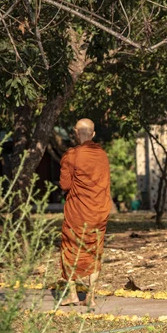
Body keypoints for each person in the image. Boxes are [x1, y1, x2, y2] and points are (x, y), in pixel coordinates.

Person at [59, 118, 111, 308]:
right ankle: (91, 296)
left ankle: (73, 295)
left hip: (77, 211)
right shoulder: (102, 155)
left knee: (70, 248)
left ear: (75, 132)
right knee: (95, 250)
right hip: (98, 210)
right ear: (93, 134)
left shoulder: (72, 155)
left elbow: (65, 184)